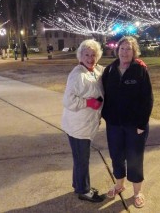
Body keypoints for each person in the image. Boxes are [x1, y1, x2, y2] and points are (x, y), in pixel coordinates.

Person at [101, 36, 153, 208]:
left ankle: (137, 192)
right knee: (116, 155)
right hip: (114, 125)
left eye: (128, 49)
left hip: (135, 125)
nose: (124, 52)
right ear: (117, 50)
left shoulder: (140, 70)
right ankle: (119, 185)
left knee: (134, 158)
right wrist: (106, 117)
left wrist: (141, 124)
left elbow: (147, 99)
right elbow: (103, 95)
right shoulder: (110, 70)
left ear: (134, 52)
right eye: (122, 48)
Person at [61, 39, 105, 203]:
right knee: (82, 159)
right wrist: (88, 102)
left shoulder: (96, 70)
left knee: (79, 157)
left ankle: (77, 184)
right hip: (78, 126)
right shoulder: (77, 74)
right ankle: (84, 191)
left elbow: (111, 72)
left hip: (85, 124)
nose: (90, 58)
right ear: (80, 56)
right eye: (86, 54)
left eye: (93, 54)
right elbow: (68, 100)